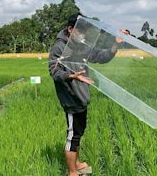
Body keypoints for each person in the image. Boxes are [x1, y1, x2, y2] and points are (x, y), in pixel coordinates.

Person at [48, 13, 127, 176]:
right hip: (70, 98)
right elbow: (54, 72)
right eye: (80, 31)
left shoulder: (82, 45)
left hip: (82, 96)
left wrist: (115, 44)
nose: (83, 34)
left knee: (78, 133)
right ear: (70, 29)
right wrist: (71, 76)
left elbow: (101, 56)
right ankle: (72, 172)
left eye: (84, 31)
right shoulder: (59, 47)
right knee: (72, 135)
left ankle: (76, 163)